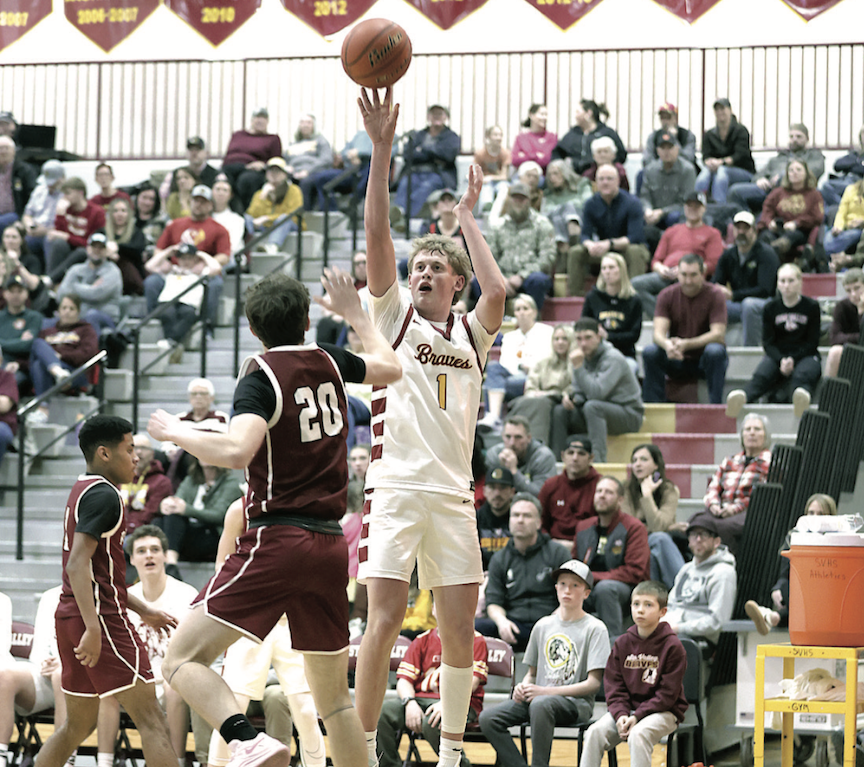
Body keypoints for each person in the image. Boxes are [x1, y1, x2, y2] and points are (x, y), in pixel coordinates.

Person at [146, 262, 401, 767]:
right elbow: (390, 369)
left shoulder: (259, 375)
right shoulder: (329, 359)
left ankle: (248, 740)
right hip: (329, 545)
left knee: (179, 658)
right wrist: (356, 314)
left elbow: (237, 450)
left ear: (251, 328)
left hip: (277, 539)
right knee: (335, 702)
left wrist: (177, 432)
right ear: (306, 320)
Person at [354, 86, 505, 767]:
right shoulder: (394, 318)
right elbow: (377, 235)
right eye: (418, 266)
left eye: (435, 267)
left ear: (454, 283)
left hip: (452, 493)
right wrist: (382, 149)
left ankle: (449, 753)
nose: (422, 272)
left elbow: (497, 290)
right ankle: (358, 751)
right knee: (383, 621)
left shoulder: (472, 333)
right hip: (394, 486)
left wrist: (466, 217)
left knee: (459, 629)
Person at [35, 414, 178, 767]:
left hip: (71, 616)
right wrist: (94, 628)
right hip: (100, 620)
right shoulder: (106, 495)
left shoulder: (82, 488)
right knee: (153, 722)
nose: (136, 457)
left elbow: (101, 575)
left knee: (77, 725)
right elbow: (77, 565)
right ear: (104, 453)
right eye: (129, 449)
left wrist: (144, 610)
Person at [207, 500, 328, 767]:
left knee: (306, 711)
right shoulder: (239, 509)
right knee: (233, 708)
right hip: (250, 619)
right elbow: (222, 568)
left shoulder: (302, 505)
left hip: (292, 620)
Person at [478, 560, 610, 767]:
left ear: (586, 593)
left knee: (541, 704)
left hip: (575, 704)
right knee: (488, 718)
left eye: (575, 585)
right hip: (539, 699)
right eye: (563, 584)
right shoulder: (543, 625)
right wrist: (523, 686)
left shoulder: (595, 628)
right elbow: (532, 673)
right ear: (556, 588)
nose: (567, 590)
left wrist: (543, 692)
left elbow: (593, 684)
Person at [98, 525, 200, 761]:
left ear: (165, 555)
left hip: (173, 677)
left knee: (174, 688)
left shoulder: (186, 595)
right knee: (109, 689)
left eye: (155, 549)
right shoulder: (124, 598)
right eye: (141, 551)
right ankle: (104, 762)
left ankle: (175, 762)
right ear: (132, 559)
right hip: (138, 681)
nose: (149, 555)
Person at [580, 581, 687, 767]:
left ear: (662, 612)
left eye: (648, 605)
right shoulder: (621, 643)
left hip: (665, 712)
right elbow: (614, 687)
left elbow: (667, 695)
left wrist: (637, 716)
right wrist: (620, 714)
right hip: (627, 710)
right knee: (594, 733)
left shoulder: (673, 646)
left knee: (638, 734)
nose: (640, 610)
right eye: (636, 604)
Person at [376, 620, 488, 767]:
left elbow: (473, 682)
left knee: (432, 722)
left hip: (461, 702)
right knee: (382, 713)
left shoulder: (475, 640)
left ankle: (461, 765)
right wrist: (409, 702)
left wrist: (447, 703)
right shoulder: (422, 640)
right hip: (420, 699)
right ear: (434, 610)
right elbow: (404, 681)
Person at [475, 494, 571, 651]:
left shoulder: (558, 553)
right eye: (515, 515)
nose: (520, 520)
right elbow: (494, 602)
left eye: (527, 516)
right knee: (477, 627)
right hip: (515, 626)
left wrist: (555, 620)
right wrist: (502, 621)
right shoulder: (499, 558)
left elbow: (571, 594)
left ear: (539, 522)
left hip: (553, 622)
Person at [726, 263, 820, 419]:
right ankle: (743, 397)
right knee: (762, 375)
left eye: (791, 281)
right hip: (778, 354)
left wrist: (792, 359)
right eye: (782, 281)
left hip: (806, 354)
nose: (786, 286)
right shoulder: (770, 308)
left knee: (803, 375)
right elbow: (768, 343)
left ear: (800, 282)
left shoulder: (812, 306)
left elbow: (812, 342)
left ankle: (800, 399)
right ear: (777, 283)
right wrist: (781, 359)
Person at [548, 318, 643, 462]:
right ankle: (559, 463)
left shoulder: (613, 358)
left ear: (599, 337)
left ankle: (598, 461)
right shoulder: (581, 357)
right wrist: (571, 398)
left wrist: (579, 368)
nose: (583, 343)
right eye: (579, 339)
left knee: (593, 407)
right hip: (599, 410)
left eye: (588, 338)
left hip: (628, 414)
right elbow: (580, 391)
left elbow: (597, 393)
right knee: (560, 411)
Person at [641, 253, 728, 405]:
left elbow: (718, 334)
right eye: (684, 275)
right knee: (651, 352)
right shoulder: (666, 295)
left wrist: (687, 344)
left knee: (715, 351)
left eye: (693, 275)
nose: (688, 280)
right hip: (676, 357)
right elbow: (658, 334)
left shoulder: (715, 295)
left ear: (702, 274)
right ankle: (654, 406)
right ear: (678, 274)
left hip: (703, 360)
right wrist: (667, 345)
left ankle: (715, 406)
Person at [143, 184, 230, 334]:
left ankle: (205, 327)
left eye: (203, 202)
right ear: (190, 202)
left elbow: (224, 255)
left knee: (215, 283)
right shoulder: (175, 224)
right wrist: (165, 262)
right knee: (152, 281)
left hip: (201, 273)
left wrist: (204, 265)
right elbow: (159, 249)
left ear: (210, 205)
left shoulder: (219, 229)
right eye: (196, 200)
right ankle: (154, 321)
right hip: (175, 271)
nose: (198, 205)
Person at [745, 493, 836, 635]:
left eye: (820, 514)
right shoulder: (794, 536)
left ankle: (770, 616)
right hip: (798, 592)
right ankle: (773, 617)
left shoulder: (836, 539)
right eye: (811, 513)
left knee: (806, 594)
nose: (814, 518)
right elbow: (785, 573)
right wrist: (777, 589)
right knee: (789, 588)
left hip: (824, 594)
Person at [575, 477, 650, 638]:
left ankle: (613, 643)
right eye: (599, 491)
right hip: (588, 586)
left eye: (608, 492)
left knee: (605, 589)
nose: (602, 495)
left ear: (620, 499)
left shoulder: (634, 527)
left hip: (626, 589)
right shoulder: (583, 527)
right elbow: (575, 563)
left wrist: (592, 577)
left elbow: (634, 572)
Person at [686, 413, 771, 554]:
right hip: (721, 510)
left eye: (757, 429)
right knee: (695, 522)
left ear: (766, 436)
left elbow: (764, 497)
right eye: (747, 429)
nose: (752, 433)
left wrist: (735, 508)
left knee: (721, 528)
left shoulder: (771, 464)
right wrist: (714, 505)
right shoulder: (730, 461)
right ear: (742, 435)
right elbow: (713, 487)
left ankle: (726, 562)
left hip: (748, 513)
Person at [0, 586, 64, 767]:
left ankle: (64, 759)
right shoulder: (50, 597)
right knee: (5, 676)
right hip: (47, 678)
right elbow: (38, 652)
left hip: (85, 681)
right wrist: (45, 663)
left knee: (62, 675)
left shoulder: (104, 595)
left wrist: (65, 664)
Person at [631, 191, 723, 317]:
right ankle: (662, 317)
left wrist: (685, 271)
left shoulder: (712, 233)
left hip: (691, 277)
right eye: (689, 206)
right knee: (635, 284)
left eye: (697, 206)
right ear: (684, 208)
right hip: (666, 275)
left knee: (687, 285)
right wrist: (661, 269)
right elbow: (656, 260)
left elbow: (712, 263)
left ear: (704, 209)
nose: (692, 209)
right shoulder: (671, 231)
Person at [567, 165, 650, 297]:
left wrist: (610, 244)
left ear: (618, 181)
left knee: (635, 251)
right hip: (603, 249)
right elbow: (585, 235)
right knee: (575, 252)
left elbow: (635, 236)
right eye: (601, 179)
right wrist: (590, 245)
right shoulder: (590, 204)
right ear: (596, 182)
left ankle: (634, 296)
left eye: (609, 179)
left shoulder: (632, 203)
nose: (605, 182)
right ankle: (575, 296)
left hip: (627, 248)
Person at [477, 294, 554, 432]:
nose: (522, 312)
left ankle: (493, 417)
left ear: (534, 312)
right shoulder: (509, 337)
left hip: (534, 379)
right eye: (518, 309)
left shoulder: (547, 332)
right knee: (493, 367)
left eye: (525, 308)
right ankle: (493, 416)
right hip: (513, 377)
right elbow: (505, 363)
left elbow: (547, 359)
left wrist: (528, 366)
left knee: (492, 385)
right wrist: (521, 366)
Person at [157, 455, 243, 567]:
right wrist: (166, 505)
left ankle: (170, 563)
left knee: (174, 519)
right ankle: (170, 561)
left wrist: (187, 510)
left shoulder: (230, 483)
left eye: (209, 452)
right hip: (188, 533)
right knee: (159, 521)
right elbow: (178, 502)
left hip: (212, 534)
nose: (205, 455)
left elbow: (219, 515)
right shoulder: (191, 480)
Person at [663, 517, 737, 647]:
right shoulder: (686, 569)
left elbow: (717, 621)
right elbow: (671, 605)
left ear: (716, 542)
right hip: (674, 630)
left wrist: (679, 628)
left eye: (704, 534)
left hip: (700, 639)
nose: (698, 539)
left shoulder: (723, 572)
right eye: (693, 535)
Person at [483, 183, 555, 311]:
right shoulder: (497, 226)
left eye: (522, 198)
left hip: (530, 278)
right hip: (502, 278)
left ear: (529, 201)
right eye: (515, 198)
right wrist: (501, 279)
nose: (518, 202)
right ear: (509, 200)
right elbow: (488, 258)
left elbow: (548, 258)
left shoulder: (542, 224)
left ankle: (533, 318)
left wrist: (522, 276)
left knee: (538, 280)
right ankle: (488, 321)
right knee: (479, 282)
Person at [712, 210, 779, 347]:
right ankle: (712, 348)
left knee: (749, 305)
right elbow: (716, 281)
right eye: (738, 228)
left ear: (754, 230)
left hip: (766, 304)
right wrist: (717, 291)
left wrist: (733, 295)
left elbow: (765, 290)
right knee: (710, 303)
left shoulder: (766, 254)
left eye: (746, 228)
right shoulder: (728, 255)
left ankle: (751, 350)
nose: (741, 232)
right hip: (737, 304)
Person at [621, 444, 683, 589]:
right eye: (634, 460)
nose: (638, 464)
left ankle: (656, 596)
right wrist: (668, 528)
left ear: (656, 465)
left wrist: (647, 495)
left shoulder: (669, 490)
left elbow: (658, 526)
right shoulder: (625, 489)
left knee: (655, 551)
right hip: (631, 542)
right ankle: (683, 589)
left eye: (643, 459)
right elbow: (630, 527)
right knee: (659, 538)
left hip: (655, 544)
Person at [727, 124, 825, 214]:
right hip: (769, 190)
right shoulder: (779, 158)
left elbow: (814, 171)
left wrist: (784, 176)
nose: (794, 139)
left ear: (807, 139)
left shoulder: (814, 156)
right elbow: (759, 174)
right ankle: (745, 222)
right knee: (735, 191)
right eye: (791, 137)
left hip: (794, 192)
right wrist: (759, 180)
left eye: (799, 136)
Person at [390, 104, 460, 226]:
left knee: (426, 187)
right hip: (415, 172)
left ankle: (402, 215)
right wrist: (433, 153)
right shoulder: (419, 135)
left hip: (437, 174)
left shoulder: (451, 137)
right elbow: (407, 154)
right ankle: (400, 212)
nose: (436, 117)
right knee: (405, 183)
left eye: (440, 114)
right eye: (433, 114)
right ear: (428, 117)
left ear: (446, 117)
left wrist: (423, 150)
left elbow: (448, 156)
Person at [506, 325, 575, 446]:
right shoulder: (542, 362)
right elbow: (530, 385)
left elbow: (574, 385)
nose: (560, 342)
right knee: (522, 402)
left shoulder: (576, 363)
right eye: (556, 339)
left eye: (564, 339)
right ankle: (513, 440)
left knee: (541, 402)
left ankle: (536, 445)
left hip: (559, 398)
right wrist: (534, 392)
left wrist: (563, 394)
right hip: (538, 396)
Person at [29, 294, 99, 408]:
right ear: (58, 311)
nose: (67, 312)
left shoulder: (86, 330)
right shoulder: (47, 332)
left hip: (74, 372)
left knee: (39, 363)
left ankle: (43, 408)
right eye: (64, 308)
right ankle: (58, 372)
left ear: (78, 312)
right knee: (37, 345)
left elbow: (87, 354)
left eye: (71, 309)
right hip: (50, 371)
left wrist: (61, 356)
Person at [581, 253, 642, 374]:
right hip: (597, 355)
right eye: (604, 268)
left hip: (624, 354)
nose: (607, 272)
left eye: (611, 267)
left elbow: (634, 335)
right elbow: (583, 326)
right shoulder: (592, 297)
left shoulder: (634, 300)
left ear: (622, 270)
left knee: (629, 368)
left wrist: (608, 336)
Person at [756, 160, 824, 265]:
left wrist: (797, 223)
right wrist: (770, 222)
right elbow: (767, 209)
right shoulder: (777, 192)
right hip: (778, 229)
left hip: (801, 231)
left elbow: (817, 217)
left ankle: (773, 251)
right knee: (765, 235)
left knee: (791, 236)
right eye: (791, 170)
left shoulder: (814, 194)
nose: (794, 172)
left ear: (806, 173)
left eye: (798, 170)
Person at [56, 231, 123, 335]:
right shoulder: (76, 269)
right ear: (87, 249)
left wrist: (74, 286)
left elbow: (96, 294)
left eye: (101, 248)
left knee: (92, 316)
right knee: (49, 322)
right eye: (94, 247)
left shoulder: (113, 271)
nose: (97, 250)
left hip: (105, 319)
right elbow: (61, 295)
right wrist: (89, 288)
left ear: (106, 251)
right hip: (77, 317)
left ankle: (91, 346)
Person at [639, 131, 697, 252]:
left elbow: (686, 202)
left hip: (674, 214)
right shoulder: (650, 169)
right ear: (657, 151)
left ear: (677, 149)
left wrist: (662, 212)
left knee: (675, 217)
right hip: (653, 215)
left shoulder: (688, 170)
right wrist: (648, 210)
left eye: (670, 148)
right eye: (663, 148)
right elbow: (644, 196)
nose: (666, 152)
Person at [538, 436, 600, 547]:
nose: (575, 458)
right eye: (570, 453)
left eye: (581, 454)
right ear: (563, 456)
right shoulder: (550, 485)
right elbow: (539, 522)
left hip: (589, 548)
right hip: (553, 547)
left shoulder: (601, 486)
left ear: (591, 458)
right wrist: (550, 544)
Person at [45, 177, 106, 285]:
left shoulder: (96, 212)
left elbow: (91, 243)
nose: (65, 198)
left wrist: (67, 237)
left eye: (68, 193)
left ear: (80, 193)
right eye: (63, 194)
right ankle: (52, 281)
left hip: (86, 250)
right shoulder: (66, 209)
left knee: (80, 252)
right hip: (68, 247)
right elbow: (59, 234)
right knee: (58, 244)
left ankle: (50, 279)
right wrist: (60, 214)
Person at [694, 98, 755, 204]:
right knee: (704, 175)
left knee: (722, 172)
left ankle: (720, 207)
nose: (720, 112)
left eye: (722, 108)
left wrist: (721, 162)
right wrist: (709, 162)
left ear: (730, 110)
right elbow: (705, 155)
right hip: (716, 168)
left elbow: (740, 155)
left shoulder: (741, 131)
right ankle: (696, 205)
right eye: (717, 110)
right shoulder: (709, 134)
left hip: (743, 171)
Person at [221, 107, 283, 210]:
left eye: (263, 118)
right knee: (220, 181)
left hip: (252, 170)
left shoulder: (272, 139)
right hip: (230, 167)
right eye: (257, 117)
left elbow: (276, 161)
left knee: (245, 180)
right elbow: (228, 154)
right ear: (252, 120)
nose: (260, 121)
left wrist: (263, 164)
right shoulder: (238, 135)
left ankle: (243, 212)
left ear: (267, 121)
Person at [485, 416, 557, 498]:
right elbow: (490, 492)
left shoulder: (543, 457)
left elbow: (541, 494)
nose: (512, 443)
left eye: (518, 437)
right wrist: (501, 468)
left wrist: (514, 471)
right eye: (508, 437)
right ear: (502, 437)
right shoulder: (494, 454)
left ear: (529, 438)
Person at [120, 433, 174, 536]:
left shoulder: (161, 482)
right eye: (134, 447)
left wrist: (127, 529)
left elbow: (150, 514)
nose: (139, 452)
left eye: (144, 448)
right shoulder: (118, 477)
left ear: (152, 454)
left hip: (140, 534)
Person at [553, 100, 626, 174]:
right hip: (574, 175)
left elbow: (621, 154)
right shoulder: (572, 133)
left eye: (578, 112)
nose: (575, 116)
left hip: (598, 174)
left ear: (589, 113)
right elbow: (558, 152)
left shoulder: (607, 132)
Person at [245, 157, 303, 246]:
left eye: (277, 171)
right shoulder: (260, 193)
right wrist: (263, 195)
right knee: (246, 218)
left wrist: (268, 218)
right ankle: (247, 247)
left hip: (288, 225)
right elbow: (252, 214)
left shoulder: (294, 190)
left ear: (285, 174)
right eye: (270, 171)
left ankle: (273, 246)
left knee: (283, 218)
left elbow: (293, 214)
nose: (273, 174)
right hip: (266, 226)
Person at [0, 274, 42, 388]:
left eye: (19, 291)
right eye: (12, 291)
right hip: (1, 362)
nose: (16, 295)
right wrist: (19, 340)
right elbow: (21, 344)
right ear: (5, 294)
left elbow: (28, 345)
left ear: (26, 294)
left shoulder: (34, 317)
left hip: (21, 366)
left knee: (10, 381)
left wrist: (2, 343)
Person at [22, 158, 65, 267]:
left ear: (62, 178)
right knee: (19, 239)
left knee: (50, 240)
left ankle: (50, 274)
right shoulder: (39, 190)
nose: (50, 185)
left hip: (53, 232)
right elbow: (27, 214)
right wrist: (29, 226)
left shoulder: (66, 194)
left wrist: (46, 230)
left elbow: (66, 223)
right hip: (35, 231)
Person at [105, 197, 148, 296]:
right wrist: (109, 253)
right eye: (115, 211)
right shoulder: (102, 231)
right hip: (106, 270)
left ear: (129, 214)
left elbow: (137, 251)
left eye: (123, 211)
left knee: (123, 262)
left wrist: (117, 248)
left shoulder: (136, 233)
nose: (119, 214)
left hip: (131, 272)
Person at [825, 268, 864, 377]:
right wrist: (857, 337)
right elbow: (834, 338)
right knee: (835, 352)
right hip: (851, 351)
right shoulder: (842, 306)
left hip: (853, 347)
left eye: (857, 288)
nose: (854, 294)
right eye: (849, 291)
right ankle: (829, 387)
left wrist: (861, 312)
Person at [476, 467, 517, 570]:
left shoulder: (519, 517)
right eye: (492, 487)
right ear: (484, 491)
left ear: (512, 492)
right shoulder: (475, 518)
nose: (497, 493)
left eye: (503, 488)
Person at [641, 102, 697, 169]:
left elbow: (689, 158)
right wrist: (659, 167)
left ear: (675, 118)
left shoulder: (687, 135)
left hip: (681, 170)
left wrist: (674, 139)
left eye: (668, 118)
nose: (665, 121)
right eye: (662, 118)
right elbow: (647, 158)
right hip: (658, 170)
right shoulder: (654, 136)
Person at [820, 124, 864, 207]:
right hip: (847, 181)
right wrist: (858, 163)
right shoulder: (856, 153)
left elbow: (860, 169)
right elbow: (838, 165)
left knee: (828, 187)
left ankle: (845, 208)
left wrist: (853, 164)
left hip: (860, 183)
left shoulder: (855, 157)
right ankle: (845, 207)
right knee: (822, 190)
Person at [825, 177, 864, 269]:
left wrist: (862, 222)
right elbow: (841, 212)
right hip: (846, 227)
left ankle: (840, 264)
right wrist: (838, 227)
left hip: (861, 230)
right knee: (828, 240)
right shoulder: (851, 189)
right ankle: (837, 265)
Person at [282, 113, 332, 183]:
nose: (305, 125)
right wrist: (287, 167)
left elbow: (326, 160)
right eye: (302, 122)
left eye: (309, 123)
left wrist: (307, 171)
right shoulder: (292, 144)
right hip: (293, 173)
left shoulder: (321, 141)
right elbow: (285, 160)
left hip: (313, 173)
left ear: (314, 126)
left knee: (306, 182)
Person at [0, 136, 35, 231]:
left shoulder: (24, 171)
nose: (3, 152)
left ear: (13, 151)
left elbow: (31, 195)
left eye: (6, 148)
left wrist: (24, 217)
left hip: (16, 214)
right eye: (0, 148)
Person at [474, 126, 511, 211]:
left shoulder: (505, 153)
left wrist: (491, 177)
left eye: (500, 135)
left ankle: (499, 210)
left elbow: (504, 176)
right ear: (488, 137)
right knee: (485, 188)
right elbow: (476, 172)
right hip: (485, 181)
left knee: (504, 188)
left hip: (500, 181)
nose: (499, 138)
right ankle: (485, 209)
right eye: (495, 135)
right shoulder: (480, 153)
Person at [512, 104, 557, 173]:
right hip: (523, 175)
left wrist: (525, 155)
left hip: (543, 176)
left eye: (546, 115)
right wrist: (536, 155)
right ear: (531, 115)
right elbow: (515, 160)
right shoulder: (521, 138)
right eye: (542, 114)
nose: (544, 118)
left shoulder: (552, 137)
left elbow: (546, 160)